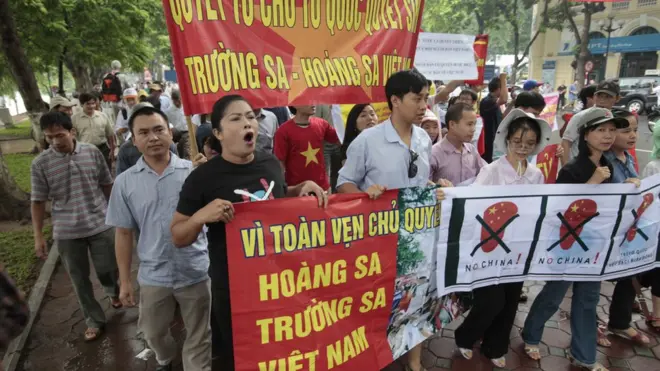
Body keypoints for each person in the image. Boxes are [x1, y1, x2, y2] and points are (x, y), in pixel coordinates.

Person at [170, 95, 327, 371]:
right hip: (233, 290)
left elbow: (278, 198)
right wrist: (200, 216)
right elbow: (179, 235)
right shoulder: (202, 178)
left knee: (282, 352)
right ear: (218, 133)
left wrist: (299, 189)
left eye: (251, 117)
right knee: (244, 358)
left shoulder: (269, 164)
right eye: (236, 118)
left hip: (279, 283)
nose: (247, 123)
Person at [337, 69, 448, 371]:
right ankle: (374, 353)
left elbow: (421, 183)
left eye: (426, 98)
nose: (424, 105)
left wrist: (435, 190)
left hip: (418, 236)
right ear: (395, 100)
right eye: (417, 98)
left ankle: (413, 359)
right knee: (381, 300)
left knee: (418, 297)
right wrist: (363, 195)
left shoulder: (424, 138)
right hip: (378, 240)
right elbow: (343, 182)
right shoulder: (368, 141)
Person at [522, 107, 630, 371]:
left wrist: (633, 185)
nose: (607, 136)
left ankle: (583, 356)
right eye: (601, 130)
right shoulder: (572, 169)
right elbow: (560, 209)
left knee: (588, 299)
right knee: (554, 294)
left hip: (596, 244)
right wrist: (592, 183)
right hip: (568, 244)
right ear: (585, 135)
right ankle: (531, 335)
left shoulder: (610, 163)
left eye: (611, 130)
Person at [106, 106, 212, 371]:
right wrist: (125, 281)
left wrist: (210, 177)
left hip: (195, 269)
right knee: (153, 332)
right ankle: (165, 358)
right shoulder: (124, 183)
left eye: (158, 130)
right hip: (154, 275)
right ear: (133, 139)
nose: (152, 137)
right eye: (143, 132)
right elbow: (123, 232)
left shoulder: (194, 171)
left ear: (170, 132)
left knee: (200, 336)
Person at [455, 109, 550, 368]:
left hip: (517, 251)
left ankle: (495, 346)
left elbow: (538, 210)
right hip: (489, 248)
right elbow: (471, 202)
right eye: (517, 142)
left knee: (509, 302)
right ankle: (465, 336)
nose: (522, 148)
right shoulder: (492, 171)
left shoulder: (536, 174)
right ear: (507, 139)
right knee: (491, 301)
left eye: (529, 144)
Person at [30, 111, 121, 342]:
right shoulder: (40, 164)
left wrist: (118, 215)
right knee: (79, 279)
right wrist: (38, 235)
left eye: (59, 135)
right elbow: (38, 201)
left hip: (100, 223)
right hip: (67, 231)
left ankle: (112, 291)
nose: (55, 142)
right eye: (49, 137)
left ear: (72, 132)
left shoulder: (92, 153)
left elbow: (107, 184)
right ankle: (94, 320)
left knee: (108, 267)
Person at [603, 109, 648, 345]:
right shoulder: (603, 162)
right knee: (583, 287)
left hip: (629, 230)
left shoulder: (629, 158)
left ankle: (619, 323)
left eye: (635, 130)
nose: (632, 135)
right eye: (625, 130)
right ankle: (585, 330)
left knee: (631, 273)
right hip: (606, 234)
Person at [274, 105, 340, 192]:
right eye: (308, 100)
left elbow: (340, 139)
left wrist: (337, 114)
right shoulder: (283, 131)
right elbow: (280, 162)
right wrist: (282, 189)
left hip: (323, 187)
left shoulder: (322, 124)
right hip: (297, 190)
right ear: (295, 105)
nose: (313, 103)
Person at [429, 103, 486, 186]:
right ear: (452, 124)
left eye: (474, 124)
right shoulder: (434, 153)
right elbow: (424, 188)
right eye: (469, 124)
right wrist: (436, 186)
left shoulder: (472, 150)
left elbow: (486, 173)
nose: (473, 129)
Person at [561, 81, 616, 164]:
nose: (602, 100)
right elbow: (566, 142)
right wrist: (565, 168)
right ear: (594, 96)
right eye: (599, 96)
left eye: (608, 97)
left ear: (617, 98)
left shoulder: (611, 116)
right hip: (579, 167)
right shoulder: (580, 116)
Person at [72, 92, 116, 170]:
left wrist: (112, 150)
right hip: (84, 151)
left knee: (106, 172)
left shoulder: (103, 116)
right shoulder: (75, 119)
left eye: (93, 103)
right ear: (82, 104)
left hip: (103, 149)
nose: (91, 106)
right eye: (88, 104)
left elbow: (110, 134)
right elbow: (73, 138)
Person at [480, 74, 509, 163]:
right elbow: (504, 99)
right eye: (504, 87)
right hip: (489, 141)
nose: (506, 90)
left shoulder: (495, 102)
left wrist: (513, 103)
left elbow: (503, 116)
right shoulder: (487, 101)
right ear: (498, 89)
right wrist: (503, 79)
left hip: (496, 139)